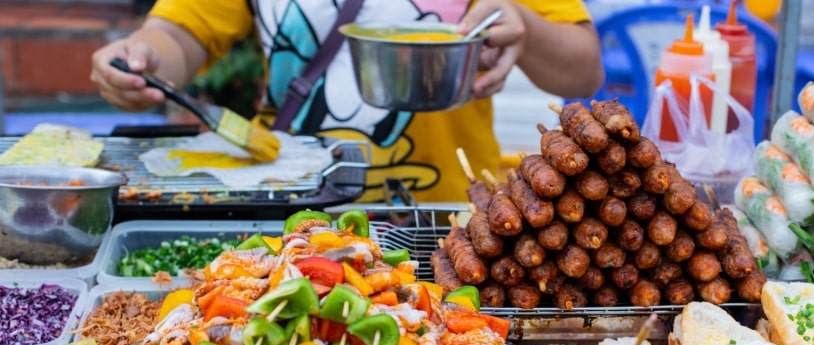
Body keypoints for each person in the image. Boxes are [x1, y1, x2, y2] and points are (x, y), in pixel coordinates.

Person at [90, 0, 604, 203]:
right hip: (286, 207)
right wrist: (143, 61)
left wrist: (527, 28)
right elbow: (179, 36)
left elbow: (584, 68)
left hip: (450, 217)